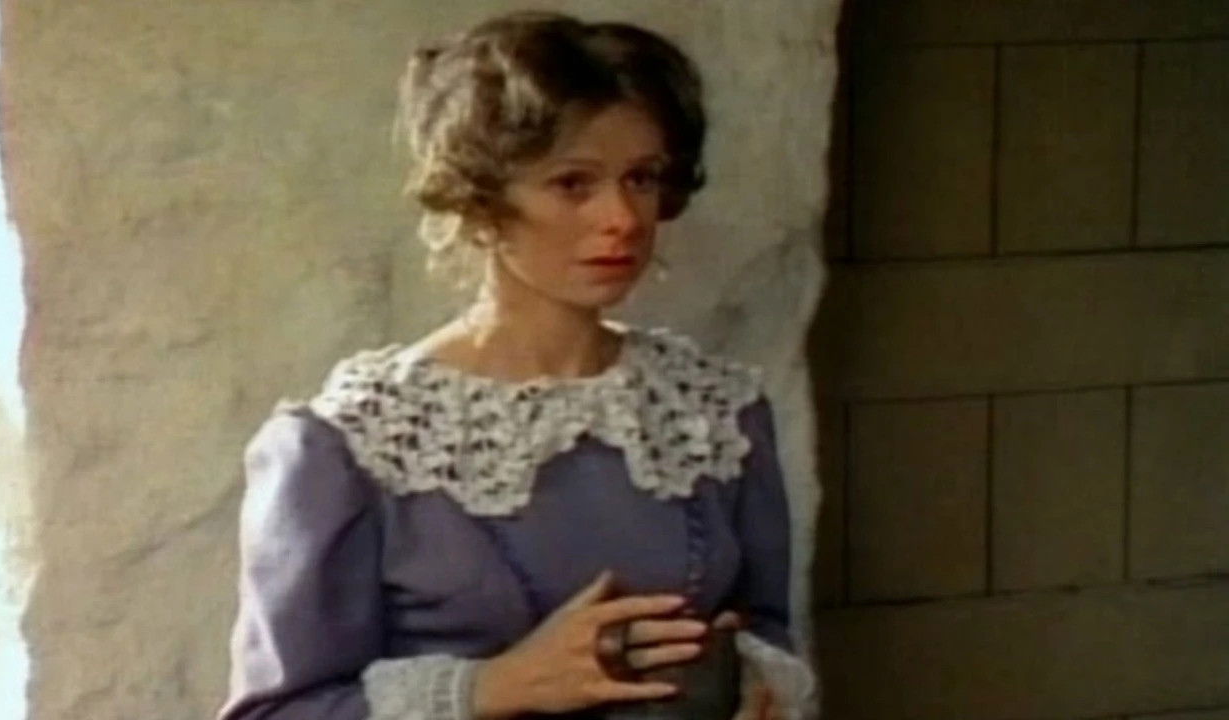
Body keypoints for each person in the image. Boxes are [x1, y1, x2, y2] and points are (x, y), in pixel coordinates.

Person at [217, 10, 818, 720]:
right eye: (573, 184)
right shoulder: (352, 446)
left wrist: (759, 692)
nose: (623, 218)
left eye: (642, 178)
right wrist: (493, 687)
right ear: (481, 200)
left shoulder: (715, 415)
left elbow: (767, 635)